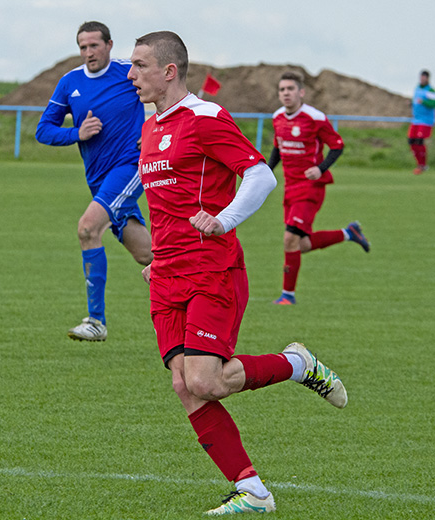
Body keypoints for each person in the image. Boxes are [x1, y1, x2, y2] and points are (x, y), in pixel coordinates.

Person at [128, 31, 347, 515]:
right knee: (184, 384)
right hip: (167, 275)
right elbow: (168, 205)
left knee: (205, 381)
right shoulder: (151, 125)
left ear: (169, 70)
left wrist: (224, 219)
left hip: (212, 268)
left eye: (140, 65)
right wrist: (158, 259)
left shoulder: (205, 118)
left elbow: (261, 175)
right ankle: (253, 491)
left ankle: (296, 365)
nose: (131, 74)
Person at [36, 21, 153, 342]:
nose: (88, 52)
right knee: (147, 255)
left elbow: (167, 96)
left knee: (88, 228)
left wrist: (152, 131)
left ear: (109, 45)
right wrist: (78, 133)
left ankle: (96, 321)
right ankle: (198, 287)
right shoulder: (69, 82)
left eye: (94, 46)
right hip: (98, 180)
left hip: (130, 167)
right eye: (83, 47)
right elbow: (43, 130)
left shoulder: (129, 72)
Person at [269, 72, 370, 305]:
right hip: (290, 188)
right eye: (282, 89)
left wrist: (320, 168)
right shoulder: (277, 117)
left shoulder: (315, 118)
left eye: (290, 89)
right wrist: (267, 170)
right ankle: (349, 233)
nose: (286, 93)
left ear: (301, 92)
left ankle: (287, 296)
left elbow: (337, 145)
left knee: (289, 239)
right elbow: (278, 148)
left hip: (310, 187)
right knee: (301, 245)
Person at [409, 69, 435, 175]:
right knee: (411, 141)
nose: (422, 79)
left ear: (427, 78)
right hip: (416, 120)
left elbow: (433, 103)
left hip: (425, 120)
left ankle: (423, 165)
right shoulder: (417, 89)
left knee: (419, 141)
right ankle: (419, 163)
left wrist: (423, 102)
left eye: (424, 77)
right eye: (421, 77)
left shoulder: (430, 90)